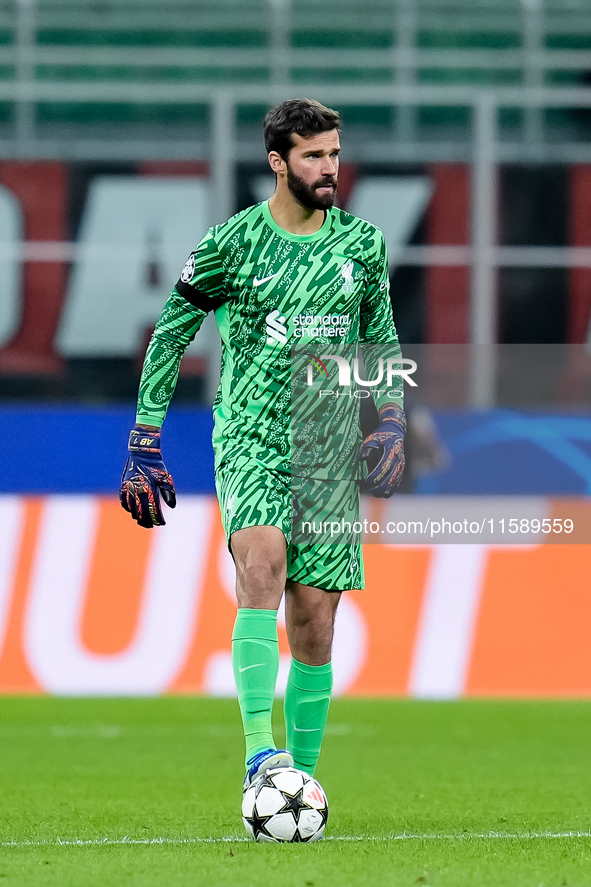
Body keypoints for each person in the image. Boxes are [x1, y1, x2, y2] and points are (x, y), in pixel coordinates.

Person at [119, 98, 406, 792]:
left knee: (314, 615)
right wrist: (144, 436)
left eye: (334, 153)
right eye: (314, 155)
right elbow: (171, 330)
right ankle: (258, 754)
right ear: (278, 162)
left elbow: (382, 341)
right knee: (263, 558)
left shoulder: (360, 245)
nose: (329, 167)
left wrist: (391, 419)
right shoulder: (233, 243)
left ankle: (296, 783)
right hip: (251, 432)